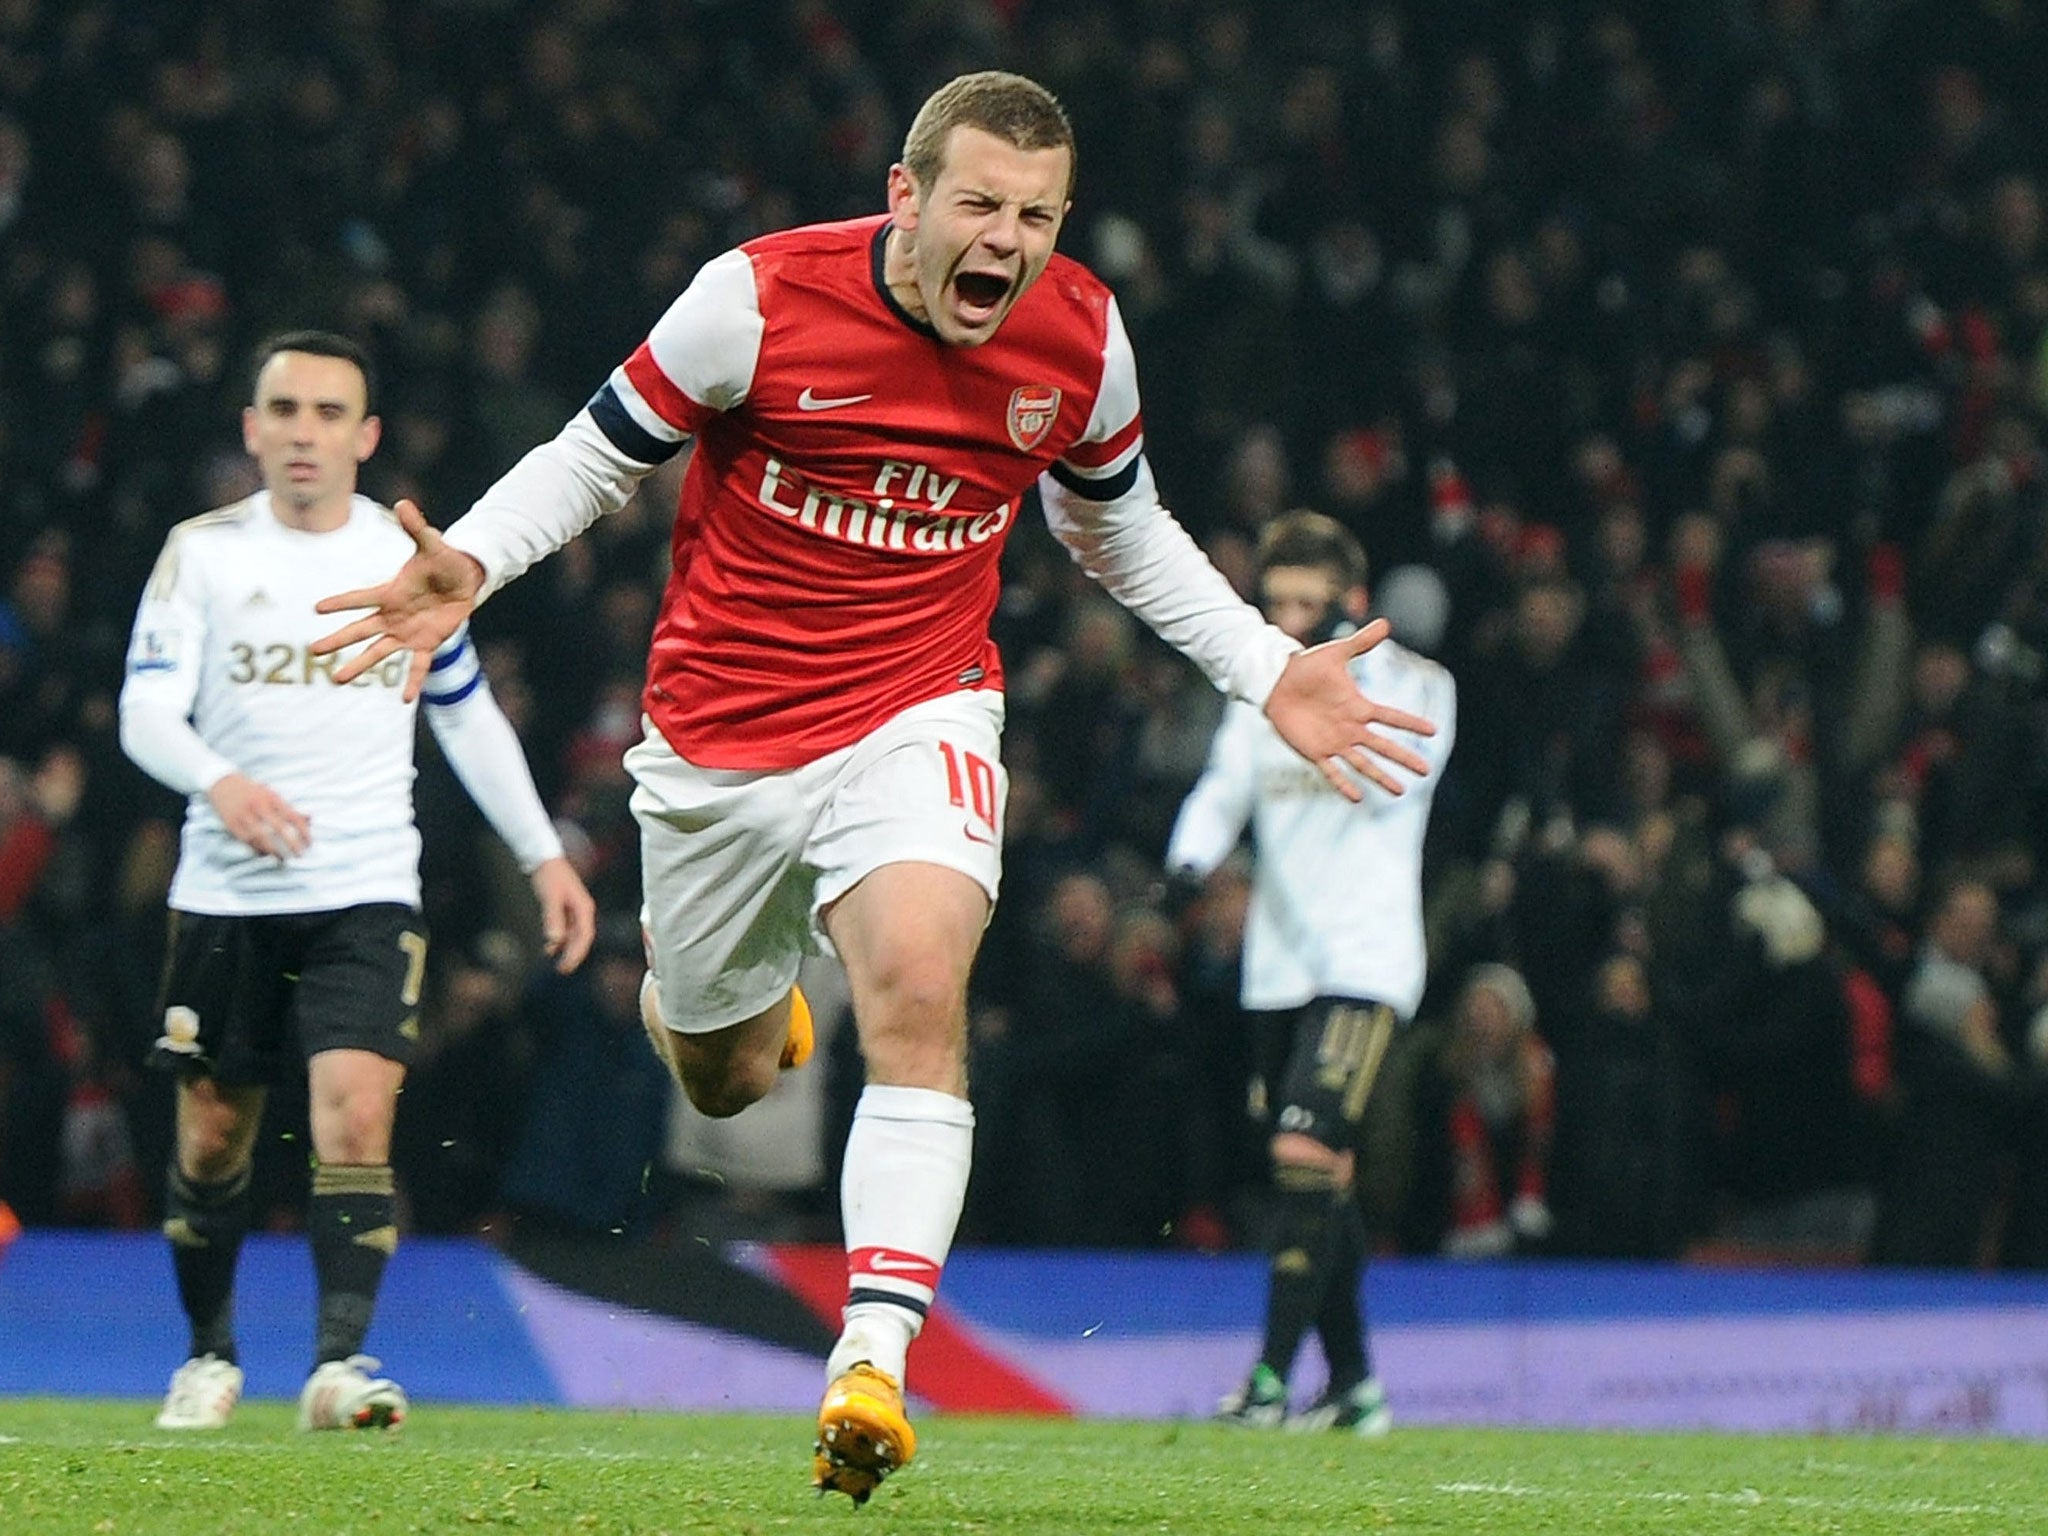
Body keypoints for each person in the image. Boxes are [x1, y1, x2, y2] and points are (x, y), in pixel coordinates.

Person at [309, 73, 1435, 1500]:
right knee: (720, 1079)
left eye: (1035, 215)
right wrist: (471, 557)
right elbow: (596, 460)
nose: (1007, 240)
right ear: (907, 198)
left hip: (920, 709)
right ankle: (710, 1006)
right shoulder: (757, 302)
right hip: (721, 741)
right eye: (979, 203)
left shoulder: (1082, 339)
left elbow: (1121, 532)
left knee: (916, 984)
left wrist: (1268, 666)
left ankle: (873, 1363)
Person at [119, 331, 596, 1435]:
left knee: (358, 1111)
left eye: (329, 413)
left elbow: (465, 709)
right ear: (251, 427)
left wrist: (542, 856)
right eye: (283, 409)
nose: (303, 432)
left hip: (365, 887)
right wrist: (219, 782)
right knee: (211, 1136)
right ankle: (207, 1357)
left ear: (366, 436)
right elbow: (144, 709)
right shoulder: (202, 553)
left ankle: (338, 1364)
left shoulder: (401, 558)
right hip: (227, 891)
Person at [1165, 511, 1455, 1436]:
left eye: (1304, 601)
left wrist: (1332, 692)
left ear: (1351, 604)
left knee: (1301, 1153)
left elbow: (1397, 779)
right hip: (1276, 971)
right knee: (1316, 1178)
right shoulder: (1260, 697)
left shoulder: (1419, 686)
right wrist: (1190, 861)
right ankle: (1359, 1387)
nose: (1284, 618)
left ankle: (1267, 1385)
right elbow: (1222, 786)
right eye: (1274, 599)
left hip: (1364, 963)